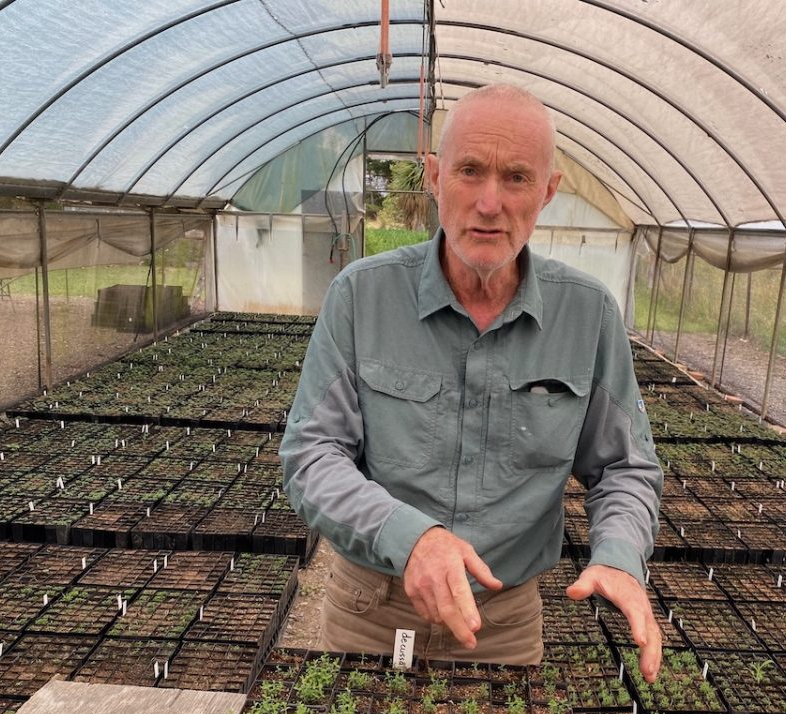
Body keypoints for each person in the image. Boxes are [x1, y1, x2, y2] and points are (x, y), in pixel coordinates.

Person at [280, 84, 662, 681]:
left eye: (516, 177)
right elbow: (311, 454)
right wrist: (410, 538)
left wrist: (618, 556)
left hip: (503, 625)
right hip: (372, 614)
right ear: (433, 177)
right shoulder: (362, 297)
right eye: (469, 171)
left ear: (548, 191)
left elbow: (623, 466)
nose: (490, 202)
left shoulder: (587, 315)